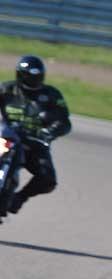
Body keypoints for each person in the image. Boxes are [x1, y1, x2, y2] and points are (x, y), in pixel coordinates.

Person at [0, 55, 71, 217]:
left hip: (34, 142)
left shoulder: (51, 95)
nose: (33, 80)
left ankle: (19, 198)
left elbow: (64, 122)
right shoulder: (6, 90)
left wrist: (48, 133)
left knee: (48, 179)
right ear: (20, 75)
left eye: (37, 76)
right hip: (6, 138)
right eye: (29, 76)